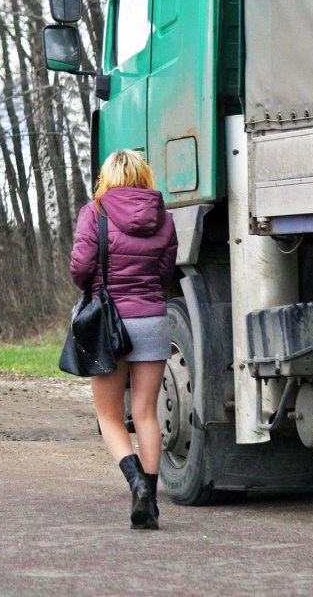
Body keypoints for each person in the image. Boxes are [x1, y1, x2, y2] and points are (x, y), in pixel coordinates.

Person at [69, 149, 178, 530]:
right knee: (146, 413)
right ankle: (149, 499)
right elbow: (165, 272)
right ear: (143, 175)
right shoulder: (163, 216)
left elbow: (80, 268)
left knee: (110, 415)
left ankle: (136, 485)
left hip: (107, 324)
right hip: (151, 319)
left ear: (107, 178)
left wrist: (96, 284)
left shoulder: (94, 212)